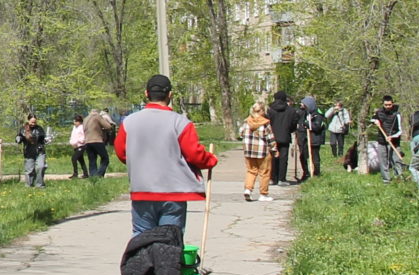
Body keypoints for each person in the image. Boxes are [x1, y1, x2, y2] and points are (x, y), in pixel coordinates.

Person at [113, 73, 218, 235]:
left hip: (142, 190)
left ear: (146, 94)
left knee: (141, 239)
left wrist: (141, 162)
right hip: (173, 192)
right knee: (169, 239)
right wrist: (210, 160)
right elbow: (194, 154)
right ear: (170, 95)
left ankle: (142, 260)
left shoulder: (129, 122)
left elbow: (121, 152)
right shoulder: (180, 122)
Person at [238, 100, 277, 203]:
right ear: (262, 111)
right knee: (264, 172)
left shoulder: (247, 121)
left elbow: (241, 133)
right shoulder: (265, 123)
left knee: (251, 170)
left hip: (249, 151)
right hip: (262, 151)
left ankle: (248, 189)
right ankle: (263, 194)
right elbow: (270, 138)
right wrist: (274, 149)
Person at [267, 92, 299, 188]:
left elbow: (267, 122)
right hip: (285, 136)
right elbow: (294, 123)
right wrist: (290, 130)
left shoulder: (270, 110)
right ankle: (282, 179)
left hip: (272, 137)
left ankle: (273, 178)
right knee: (283, 158)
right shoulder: (291, 110)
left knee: (273, 158)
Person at [370, 97, 404, 182]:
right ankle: (386, 179)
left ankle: (399, 178)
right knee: (383, 161)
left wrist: (392, 137)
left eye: (389, 104)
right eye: (386, 105)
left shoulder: (397, 114)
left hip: (394, 141)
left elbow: (400, 130)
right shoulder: (379, 112)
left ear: (392, 103)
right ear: (383, 104)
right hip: (381, 140)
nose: (388, 106)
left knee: (396, 160)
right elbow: (372, 119)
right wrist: (375, 121)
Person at [18, 114, 48, 189]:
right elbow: (19, 137)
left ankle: (39, 185)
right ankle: (29, 185)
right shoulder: (23, 129)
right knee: (29, 170)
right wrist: (18, 139)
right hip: (29, 152)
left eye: (35, 122)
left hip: (39, 151)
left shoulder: (39, 128)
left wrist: (47, 140)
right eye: (32, 122)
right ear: (28, 121)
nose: (33, 124)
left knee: (41, 167)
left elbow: (43, 139)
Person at [82, 107, 113, 179]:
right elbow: (108, 126)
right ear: (97, 112)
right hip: (97, 140)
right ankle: (99, 175)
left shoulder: (85, 119)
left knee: (92, 160)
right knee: (105, 158)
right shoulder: (97, 117)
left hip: (87, 141)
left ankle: (93, 176)